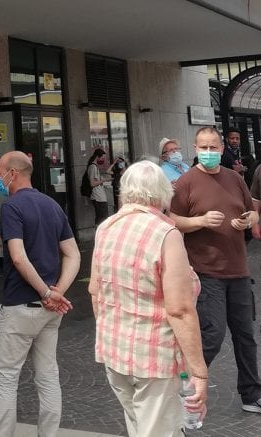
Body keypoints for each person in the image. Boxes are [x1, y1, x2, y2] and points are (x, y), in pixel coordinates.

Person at [89, 160, 208, 436]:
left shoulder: (106, 227)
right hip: (155, 358)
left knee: (139, 427)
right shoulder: (165, 233)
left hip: (115, 353)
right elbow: (179, 310)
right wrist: (199, 371)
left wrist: (111, 333)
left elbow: (95, 291)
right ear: (163, 193)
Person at [169, 126, 261, 414]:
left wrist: (248, 220)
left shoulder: (234, 178)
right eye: (203, 148)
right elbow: (171, 220)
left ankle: (251, 394)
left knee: (246, 336)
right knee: (212, 335)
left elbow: (252, 210)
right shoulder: (186, 182)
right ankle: (185, 389)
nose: (209, 152)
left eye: (213, 147)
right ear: (195, 149)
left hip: (239, 270)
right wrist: (199, 221)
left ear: (221, 149)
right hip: (205, 272)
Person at [0, 151, 80, 437]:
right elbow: (73, 254)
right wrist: (58, 291)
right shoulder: (52, 205)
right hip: (50, 310)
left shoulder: (11, 207)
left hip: (20, 304)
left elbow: (18, 257)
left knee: (5, 377)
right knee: (48, 374)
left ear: (12, 174)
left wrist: (46, 292)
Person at [87, 149, 108, 225]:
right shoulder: (93, 167)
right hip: (98, 197)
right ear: (97, 157)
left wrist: (101, 180)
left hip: (100, 196)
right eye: (102, 158)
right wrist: (102, 180)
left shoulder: (95, 167)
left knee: (101, 218)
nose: (103, 160)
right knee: (102, 218)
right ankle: (99, 231)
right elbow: (92, 183)